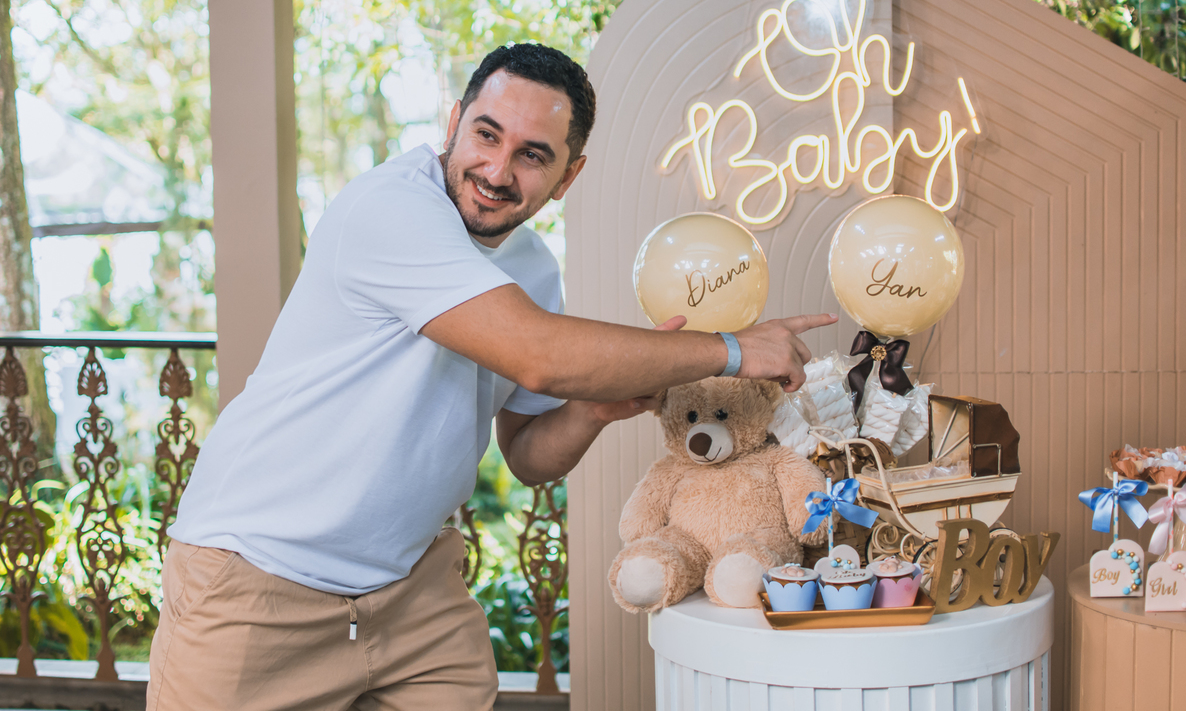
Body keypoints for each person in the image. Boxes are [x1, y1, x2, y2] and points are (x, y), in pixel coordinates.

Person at [147, 43, 836, 710]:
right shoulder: (392, 208)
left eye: (533, 155)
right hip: (254, 581)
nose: (498, 169)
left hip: (412, 593)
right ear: (453, 123)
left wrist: (594, 410)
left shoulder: (532, 266)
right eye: (486, 134)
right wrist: (736, 350)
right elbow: (540, 354)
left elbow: (529, 453)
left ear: (569, 176)